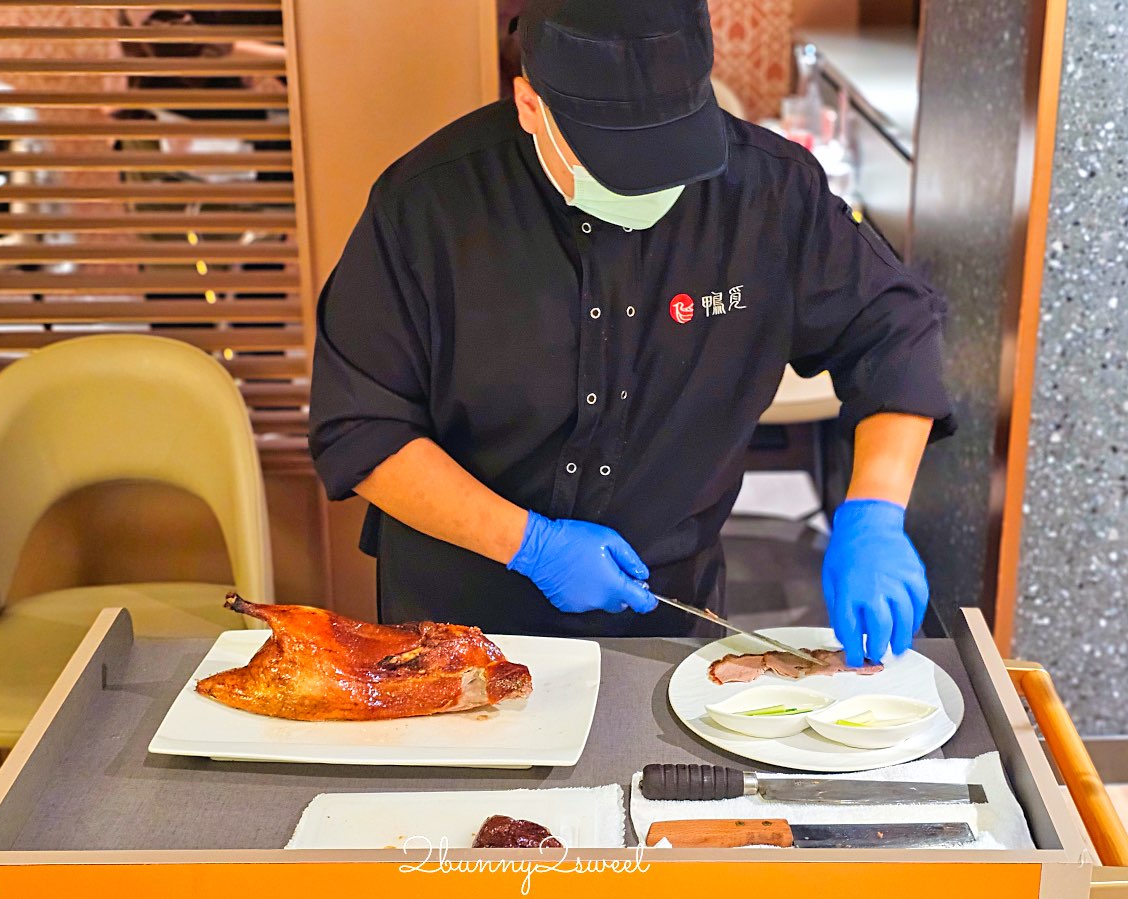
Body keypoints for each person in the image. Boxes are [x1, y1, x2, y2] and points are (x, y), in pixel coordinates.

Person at [309, 0, 954, 666]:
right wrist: (530, 544)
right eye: (616, 160)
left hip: (666, 611)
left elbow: (892, 328)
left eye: (670, 152)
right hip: (457, 617)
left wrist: (875, 512)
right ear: (530, 106)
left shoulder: (769, 191)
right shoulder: (426, 206)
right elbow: (360, 428)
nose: (649, 184)